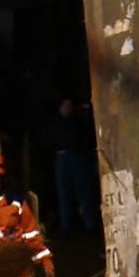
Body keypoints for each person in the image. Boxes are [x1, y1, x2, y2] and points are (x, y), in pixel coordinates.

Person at [49, 97, 99, 235]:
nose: (67, 108)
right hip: (62, 157)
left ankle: (90, 224)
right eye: (65, 105)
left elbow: (84, 137)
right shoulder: (55, 122)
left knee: (83, 191)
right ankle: (66, 227)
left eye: (69, 105)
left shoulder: (77, 122)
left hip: (76, 156)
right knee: (64, 193)